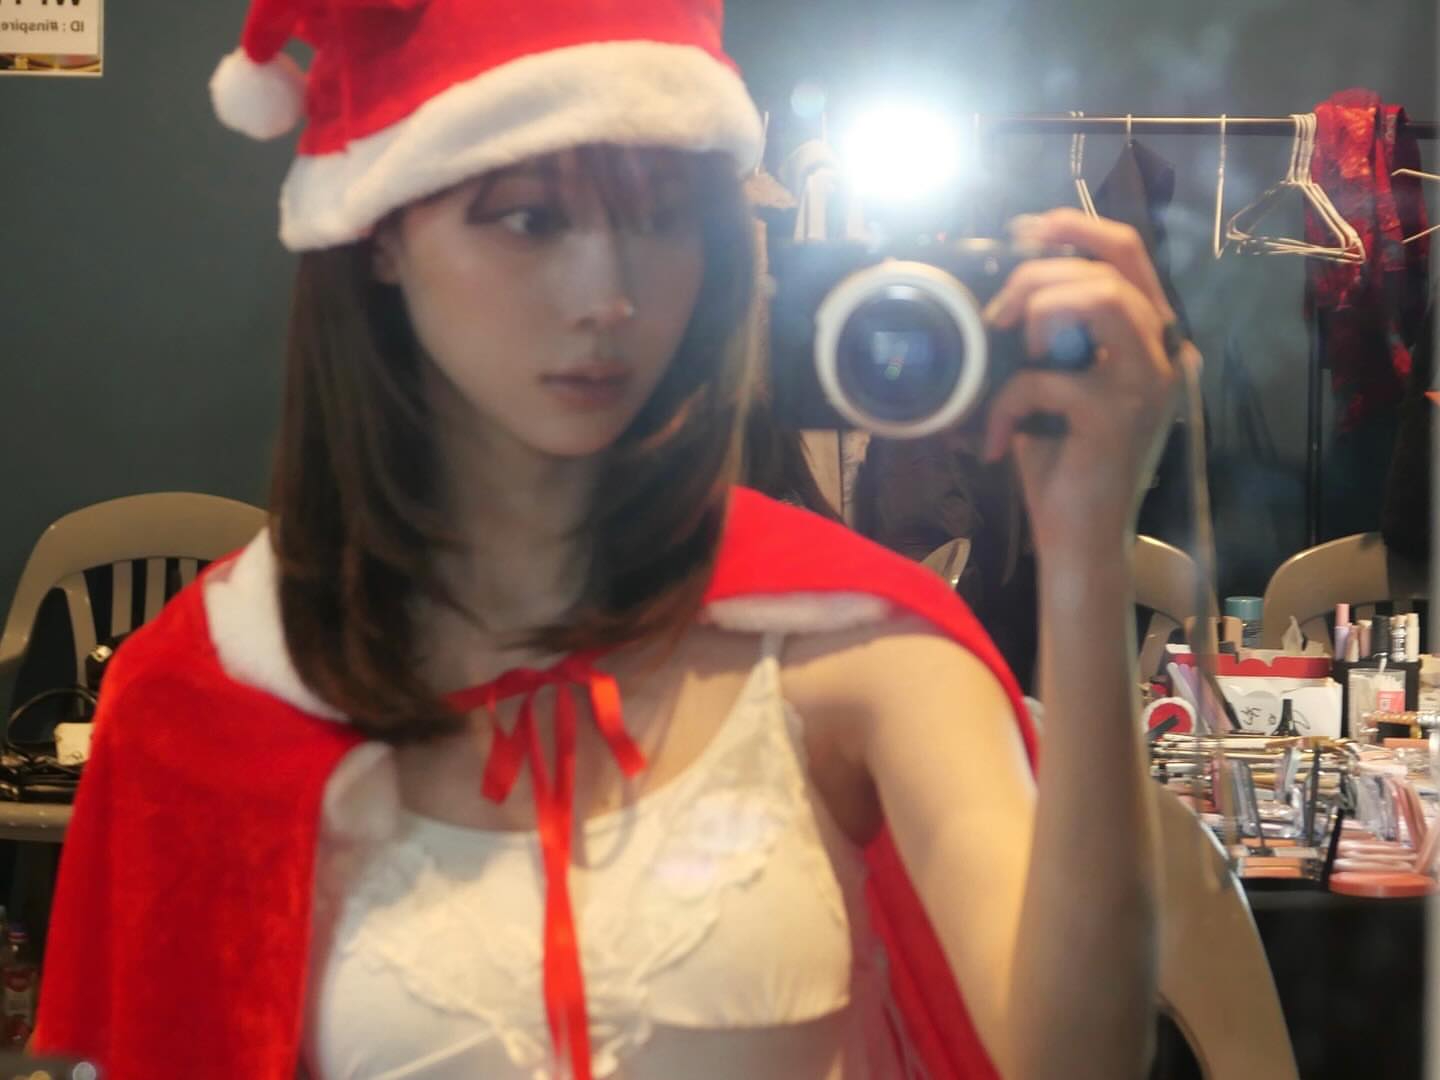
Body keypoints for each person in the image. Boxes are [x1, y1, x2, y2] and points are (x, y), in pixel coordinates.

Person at [32, 2, 1189, 1078]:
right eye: (528, 218)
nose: (608, 295)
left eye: (661, 215)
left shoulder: (846, 640)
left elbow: (1075, 1058)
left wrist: (1087, 551)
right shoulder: (217, 693)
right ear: (379, 228)